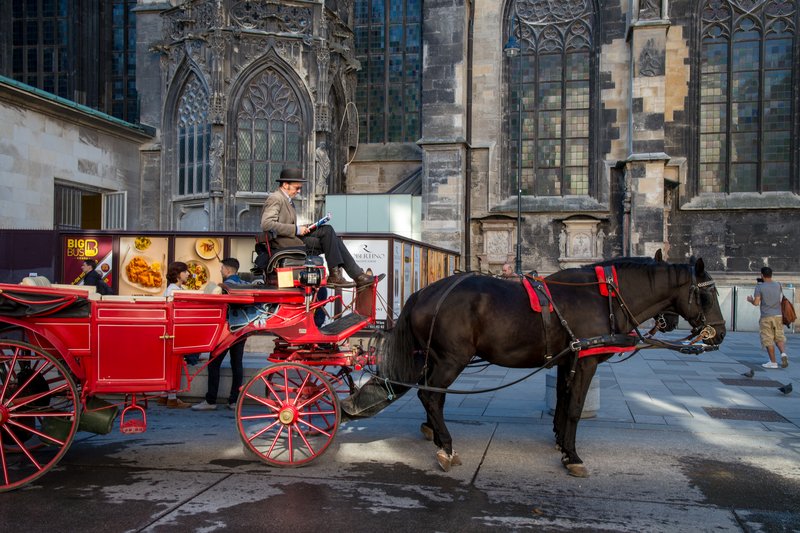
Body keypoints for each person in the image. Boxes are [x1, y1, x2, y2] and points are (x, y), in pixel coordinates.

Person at [260, 167, 374, 288]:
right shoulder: (276, 198)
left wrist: (307, 227)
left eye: (300, 188)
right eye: (296, 188)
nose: (298, 191)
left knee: (328, 232)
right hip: (284, 244)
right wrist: (297, 229)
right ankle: (352, 275)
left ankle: (347, 275)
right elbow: (266, 224)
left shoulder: (287, 200)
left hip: (293, 239)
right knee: (330, 237)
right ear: (285, 184)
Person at [193, 258, 246, 411]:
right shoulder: (242, 284)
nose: (220, 270)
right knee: (237, 365)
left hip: (226, 330)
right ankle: (234, 400)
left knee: (214, 363)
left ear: (228, 270)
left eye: (222, 268)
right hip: (242, 329)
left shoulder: (225, 286)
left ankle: (211, 400)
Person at [159, 261, 193, 408]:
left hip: (170, 332)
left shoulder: (173, 289)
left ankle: (164, 395)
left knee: (170, 363)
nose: (188, 274)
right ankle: (172, 397)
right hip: (174, 332)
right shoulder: (174, 291)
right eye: (185, 272)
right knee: (174, 363)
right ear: (179, 274)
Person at [747, 267, 790, 369]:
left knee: (768, 339)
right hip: (778, 315)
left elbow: (757, 303)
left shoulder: (759, 287)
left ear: (762, 275)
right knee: (779, 337)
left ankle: (773, 362)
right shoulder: (778, 285)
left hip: (766, 316)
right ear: (771, 274)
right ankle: (783, 354)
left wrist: (750, 300)